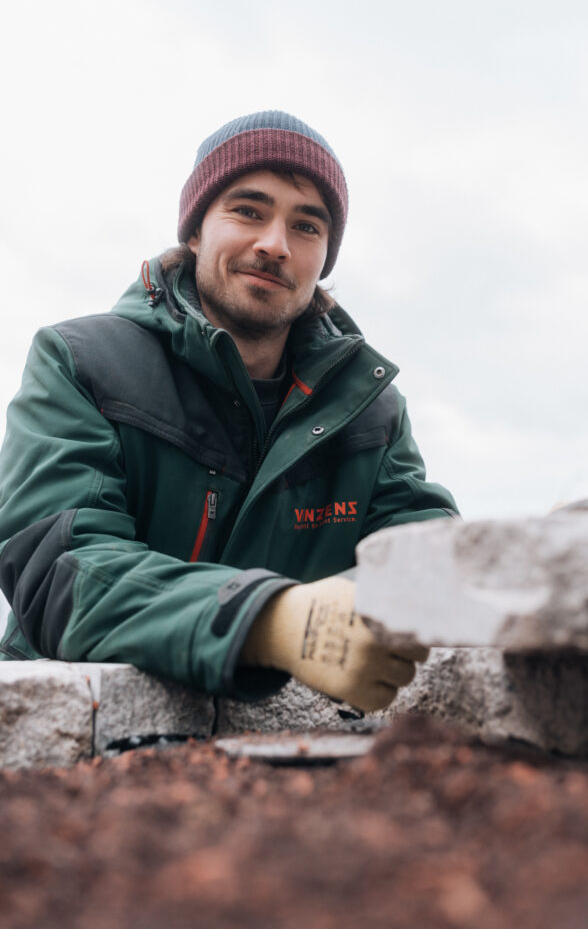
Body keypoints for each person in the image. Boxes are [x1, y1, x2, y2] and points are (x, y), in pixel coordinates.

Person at [0, 111, 458, 711]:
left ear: (324, 257)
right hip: (74, 741)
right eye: (248, 211)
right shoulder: (80, 361)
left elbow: (424, 556)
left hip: (297, 754)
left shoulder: (371, 408)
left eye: (307, 226)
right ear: (194, 231)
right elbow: (59, 568)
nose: (275, 244)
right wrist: (269, 621)